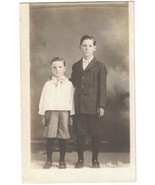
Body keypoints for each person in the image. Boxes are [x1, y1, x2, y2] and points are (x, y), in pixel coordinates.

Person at [70, 35, 107, 168]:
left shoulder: (100, 66)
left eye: (90, 46)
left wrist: (101, 105)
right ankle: (80, 159)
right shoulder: (75, 66)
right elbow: (72, 83)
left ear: (94, 48)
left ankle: (95, 159)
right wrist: (60, 79)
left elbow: (102, 87)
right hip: (79, 105)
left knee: (95, 133)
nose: (87, 48)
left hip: (93, 105)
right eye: (84, 45)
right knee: (80, 133)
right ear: (80, 47)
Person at [38, 57, 74, 169]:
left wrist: (71, 115)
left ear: (64, 68)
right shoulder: (47, 84)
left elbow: (72, 100)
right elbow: (42, 99)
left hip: (64, 112)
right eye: (54, 67)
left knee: (63, 137)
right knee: (50, 136)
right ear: (51, 69)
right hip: (51, 112)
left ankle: (62, 161)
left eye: (60, 67)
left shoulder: (69, 85)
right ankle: (48, 160)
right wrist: (43, 114)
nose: (57, 69)